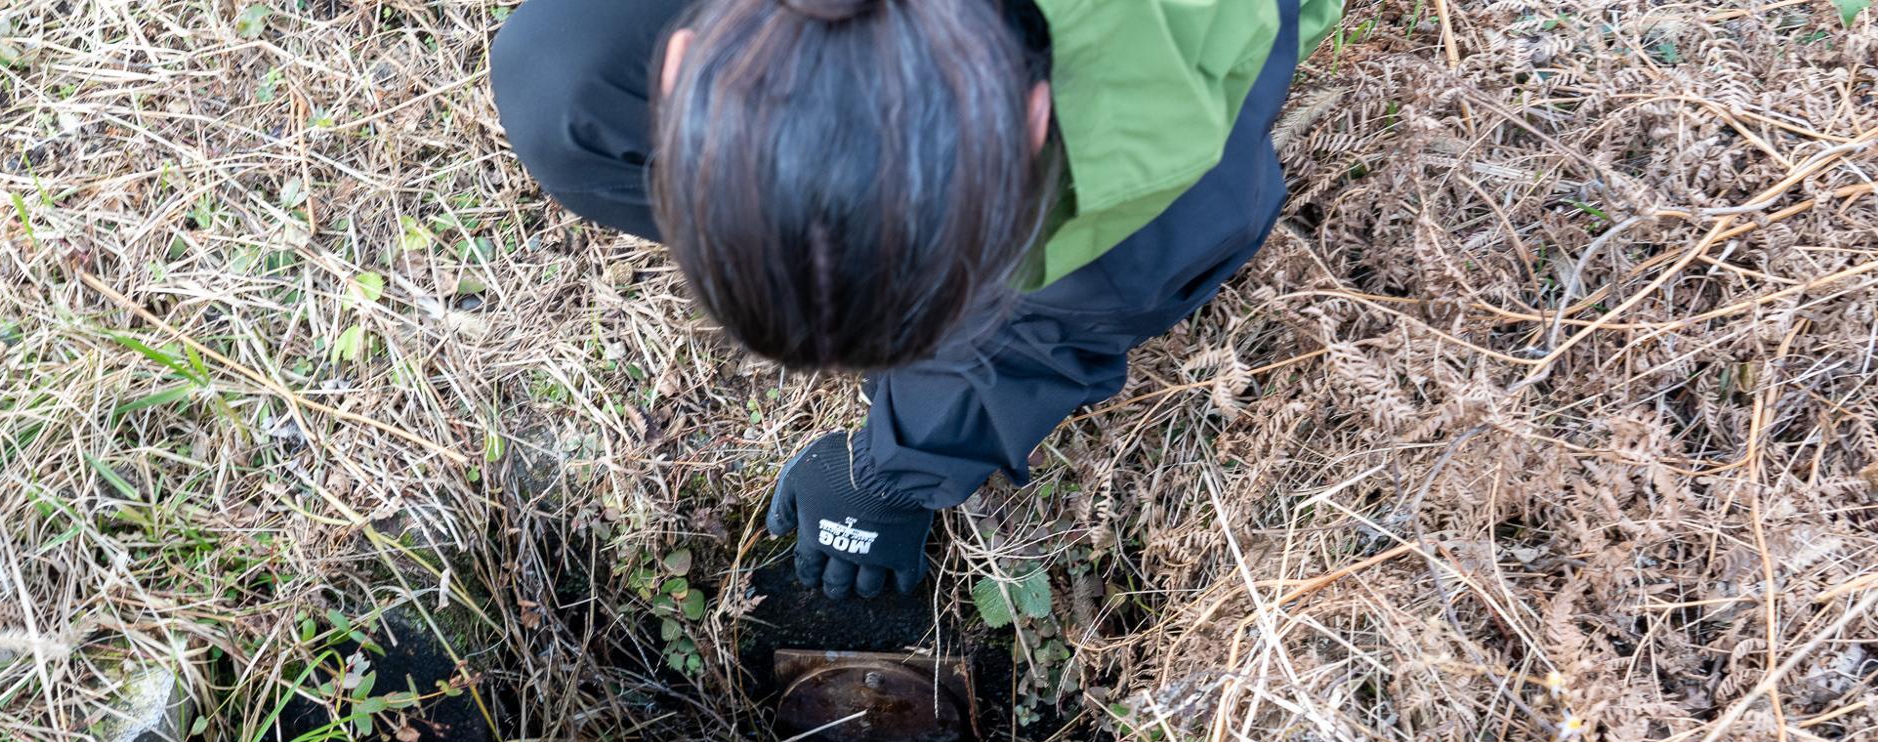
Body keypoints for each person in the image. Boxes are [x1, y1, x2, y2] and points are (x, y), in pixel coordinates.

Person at [491, 0, 1342, 601]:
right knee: (561, 77)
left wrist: (893, 472)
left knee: (1100, 265)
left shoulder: (1155, 143)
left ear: (1037, 116)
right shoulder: (639, 64)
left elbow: (1055, 327)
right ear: (679, 60)